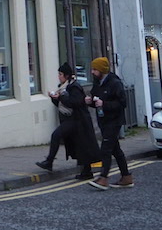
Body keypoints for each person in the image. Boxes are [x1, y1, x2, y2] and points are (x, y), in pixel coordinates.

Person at [35, 62, 100, 179]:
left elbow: (74, 102)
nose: (58, 76)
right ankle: (86, 172)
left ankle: (49, 162)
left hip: (76, 120)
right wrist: (54, 98)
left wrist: (60, 97)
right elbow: (61, 104)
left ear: (66, 76)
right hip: (71, 120)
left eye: (60, 74)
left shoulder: (73, 87)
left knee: (56, 135)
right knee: (80, 146)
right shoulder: (63, 87)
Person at [86, 56, 133, 189]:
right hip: (104, 120)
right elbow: (96, 100)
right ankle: (126, 177)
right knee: (116, 150)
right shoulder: (98, 83)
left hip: (114, 121)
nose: (92, 72)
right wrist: (90, 102)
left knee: (105, 149)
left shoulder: (115, 83)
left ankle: (103, 178)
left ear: (102, 70)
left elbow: (122, 103)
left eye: (95, 69)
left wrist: (104, 104)